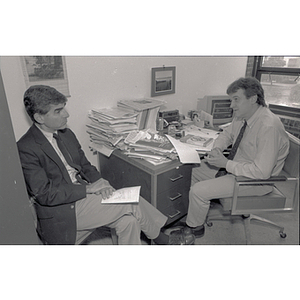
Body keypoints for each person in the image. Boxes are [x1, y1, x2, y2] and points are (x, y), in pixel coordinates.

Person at [17, 85, 195, 245]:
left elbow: (85, 165)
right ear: (39, 117)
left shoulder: (65, 134)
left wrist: (102, 183)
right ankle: (163, 240)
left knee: (129, 221)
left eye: (64, 108)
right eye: (58, 111)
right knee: (132, 202)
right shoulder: (26, 147)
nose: (66, 114)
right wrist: (89, 189)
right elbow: (44, 194)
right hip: (63, 210)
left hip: (82, 195)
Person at [176, 77, 290, 238]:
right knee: (192, 171)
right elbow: (227, 135)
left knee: (198, 191)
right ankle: (196, 213)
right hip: (238, 168)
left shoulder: (268, 127)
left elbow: (262, 172)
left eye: (236, 99)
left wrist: (226, 164)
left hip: (256, 181)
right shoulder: (244, 115)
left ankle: (195, 227)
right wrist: (217, 149)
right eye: (231, 100)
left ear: (253, 99)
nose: (231, 105)